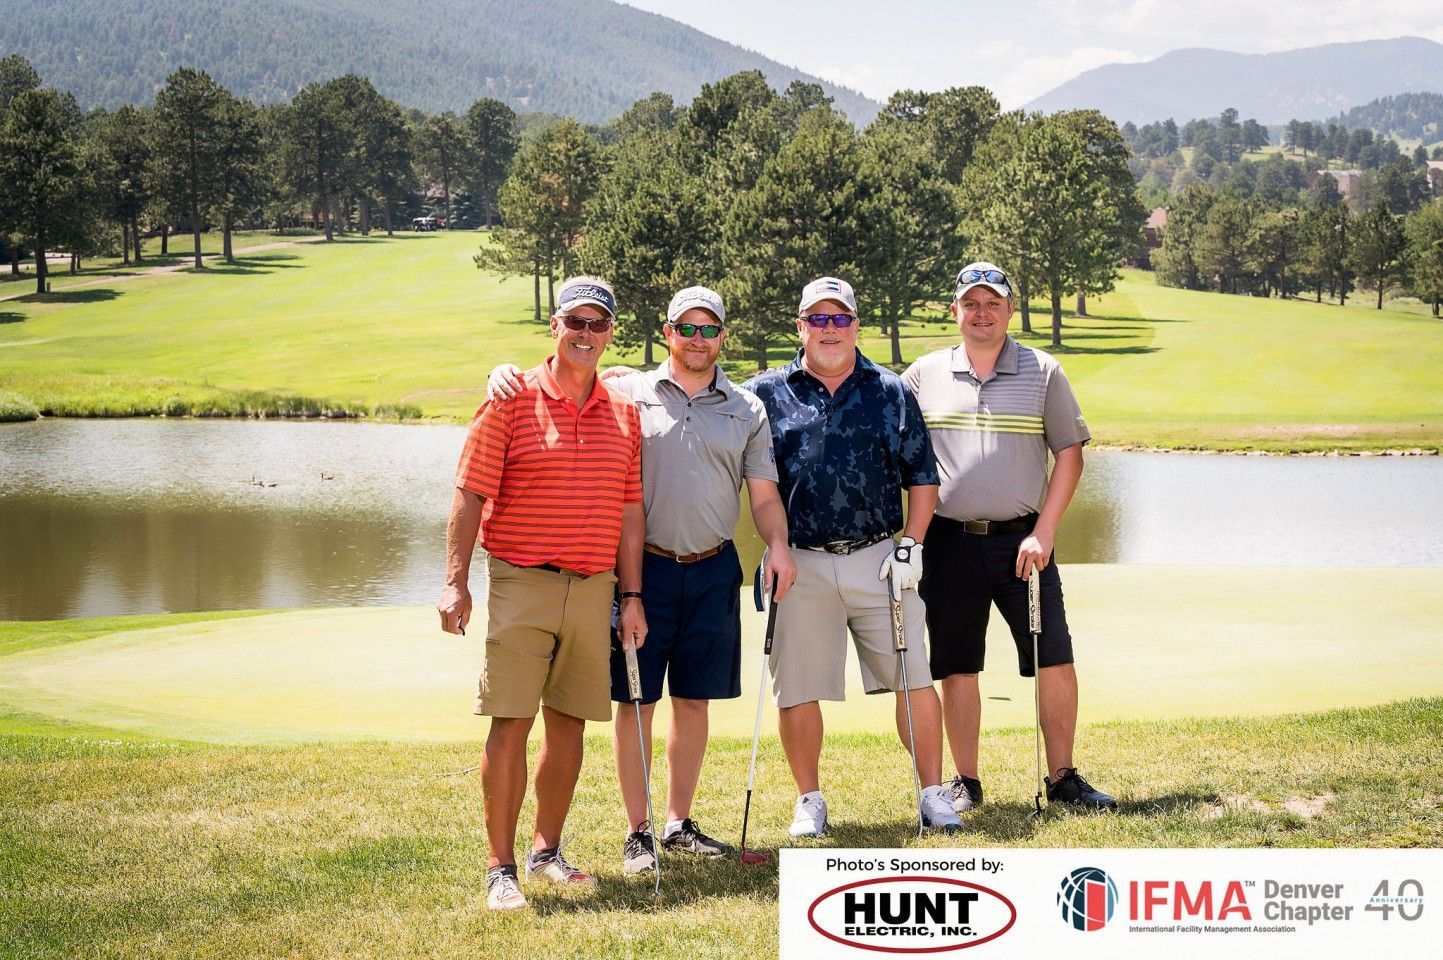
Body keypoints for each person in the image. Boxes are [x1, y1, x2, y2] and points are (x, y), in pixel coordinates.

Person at [485, 285, 796, 876]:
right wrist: (505, 373)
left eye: (709, 330)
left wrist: (777, 544)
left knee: (695, 697)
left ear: (722, 337)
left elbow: (763, 494)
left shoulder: (746, 409)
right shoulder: (627, 390)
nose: (697, 340)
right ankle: (639, 831)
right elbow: (566, 372)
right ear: (668, 332)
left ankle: (678, 822)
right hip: (641, 569)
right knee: (637, 699)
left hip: (714, 567)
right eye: (687, 328)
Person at [437, 276, 647, 912]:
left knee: (570, 725)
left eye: (598, 324)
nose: (586, 334)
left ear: (611, 333)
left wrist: (631, 594)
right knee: (511, 720)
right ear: (554, 325)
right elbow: (470, 493)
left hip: (594, 588)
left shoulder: (624, 411)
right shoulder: (508, 399)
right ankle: (501, 868)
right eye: (575, 322)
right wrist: (454, 581)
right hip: (522, 580)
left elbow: (630, 511)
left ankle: (546, 850)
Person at [743, 276, 963, 837]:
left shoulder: (890, 391)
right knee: (797, 686)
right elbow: (699, 389)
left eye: (840, 319)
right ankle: (809, 800)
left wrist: (911, 543)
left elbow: (923, 478)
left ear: (856, 325)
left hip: (881, 558)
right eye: (818, 319)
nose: (830, 329)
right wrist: (628, 381)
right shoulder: (766, 393)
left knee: (913, 679)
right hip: (800, 563)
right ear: (800, 327)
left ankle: (933, 794)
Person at [902, 261, 1117, 814]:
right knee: (956, 665)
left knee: (1054, 658)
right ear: (955, 311)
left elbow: (1069, 455)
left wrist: (1044, 533)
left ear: (1009, 310)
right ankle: (966, 781)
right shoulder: (923, 374)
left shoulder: (1043, 371)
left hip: (1024, 544)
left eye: (992, 303)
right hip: (946, 542)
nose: (981, 313)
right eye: (971, 304)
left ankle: (1063, 777)